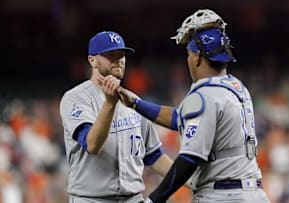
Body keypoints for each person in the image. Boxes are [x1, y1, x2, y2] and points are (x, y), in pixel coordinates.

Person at [117, 9, 270, 202]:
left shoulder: (204, 96)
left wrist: (153, 199)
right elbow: (181, 118)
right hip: (252, 193)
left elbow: (189, 159)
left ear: (197, 57)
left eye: (189, 53)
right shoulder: (237, 87)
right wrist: (137, 104)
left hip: (222, 195)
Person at [59, 31, 174, 203]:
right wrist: (110, 104)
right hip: (91, 199)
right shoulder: (75, 98)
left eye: (121, 55)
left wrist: (191, 181)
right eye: (110, 55)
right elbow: (92, 144)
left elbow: (154, 156)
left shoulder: (134, 101)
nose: (118, 60)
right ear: (92, 60)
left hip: (133, 198)